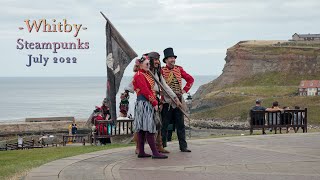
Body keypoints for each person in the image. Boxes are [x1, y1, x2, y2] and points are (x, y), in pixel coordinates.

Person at [132, 56, 168, 159]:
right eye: (147, 64)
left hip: (143, 103)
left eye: (149, 63)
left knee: (143, 129)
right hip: (145, 104)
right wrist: (154, 103)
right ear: (140, 65)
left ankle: (142, 152)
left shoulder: (143, 74)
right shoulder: (140, 75)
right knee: (149, 128)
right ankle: (155, 152)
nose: (149, 65)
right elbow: (145, 90)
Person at [147, 51, 182, 154]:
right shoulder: (145, 71)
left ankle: (159, 146)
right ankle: (139, 147)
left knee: (158, 124)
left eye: (158, 60)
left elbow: (165, 87)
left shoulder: (158, 72)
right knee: (145, 125)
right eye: (156, 60)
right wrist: (127, 91)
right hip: (147, 100)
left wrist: (175, 98)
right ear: (151, 60)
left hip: (157, 100)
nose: (157, 62)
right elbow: (134, 83)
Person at [161, 47, 194, 152]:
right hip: (167, 101)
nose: (172, 60)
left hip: (178, 100)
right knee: (164, 124)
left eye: (173, 58)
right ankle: (162, 146)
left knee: (180, 124)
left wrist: (184, 90)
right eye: (170, 58)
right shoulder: (162, 70)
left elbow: (190, 79)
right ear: (166, 60)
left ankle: (183, 146)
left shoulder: (179, 69)